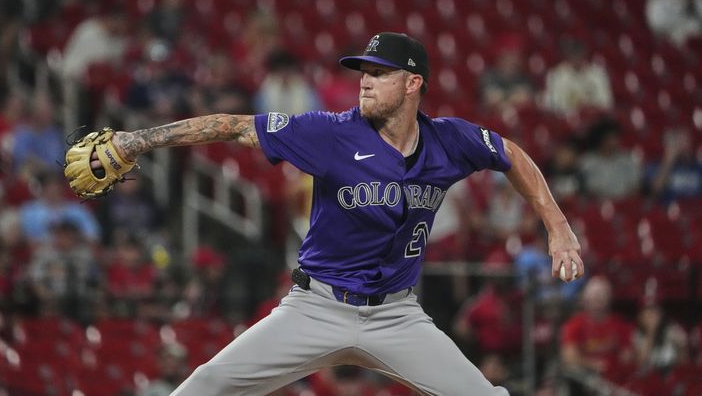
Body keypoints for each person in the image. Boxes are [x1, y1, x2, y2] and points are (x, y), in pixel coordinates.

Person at [89, 32, 584, 395]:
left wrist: (557, 226)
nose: (364, 83)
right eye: (362, 73)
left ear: (413, 83)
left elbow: (510, 154)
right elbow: (233, 126)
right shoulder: (330, 133)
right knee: (203, 387)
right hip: (316, 307)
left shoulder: (449, 140)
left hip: (396, 315)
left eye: (378, 73)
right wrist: (137, 140)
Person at [543, 38, 613, 116]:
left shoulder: (597, 74)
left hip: (594, 118)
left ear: (584, 55)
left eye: (579, 55)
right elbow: (553, 105)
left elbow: (606, 102)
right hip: (567, 119)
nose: (577, 59)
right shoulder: (556, 75)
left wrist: (589, 108)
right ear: (568, 56)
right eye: (574, 55)